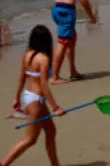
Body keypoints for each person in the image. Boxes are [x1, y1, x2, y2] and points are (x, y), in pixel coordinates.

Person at [2, 25, 64, 166]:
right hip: (36, 100)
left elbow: (22, 78)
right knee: (30, 139)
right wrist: (55, 107)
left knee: (51, 131)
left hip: (29, 96)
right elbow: (43, 84)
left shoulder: (27, 55)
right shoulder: (44, 59)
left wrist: (16, 98)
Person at [43, 0, 97, 84]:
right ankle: (54, 76)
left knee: (71, 37)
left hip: (56, 9)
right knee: (63, 42)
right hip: (67, 11)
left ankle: (73, 71)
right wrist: (91, 15)